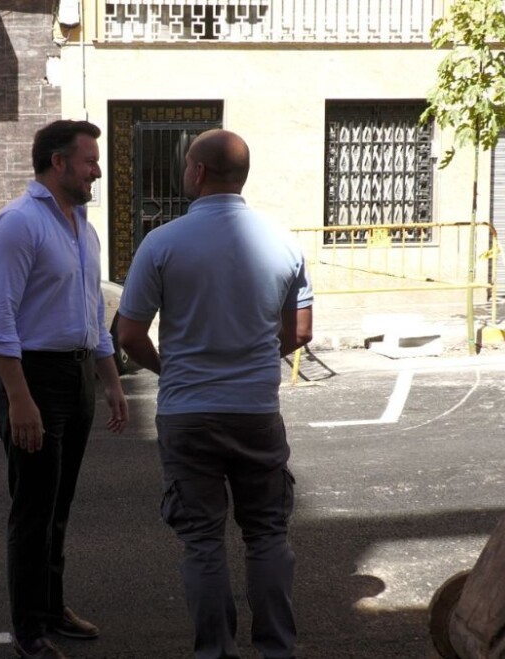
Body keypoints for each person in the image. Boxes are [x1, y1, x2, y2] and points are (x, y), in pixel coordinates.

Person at [116, 129, 313, 659]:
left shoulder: (162, 243)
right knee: (267, 535)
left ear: (197, 172)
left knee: (202, 541)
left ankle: (216, 652)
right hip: (255, 410)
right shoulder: (284, 241)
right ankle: (276, 649)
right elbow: (299, 332)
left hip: (188, 413)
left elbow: (130, 336)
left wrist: (169, 370)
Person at [0, 119, 129, 659]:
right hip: (34, 378)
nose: (97, 170)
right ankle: (28, 630)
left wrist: (111, 381)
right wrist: (19, 397)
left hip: (75, 376)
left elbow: (92, 312)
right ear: (58, 163)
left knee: (58, 506)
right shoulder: (19, 224)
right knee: (33, 509)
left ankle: (51, 607)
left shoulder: (82, 227)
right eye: (90, 161)